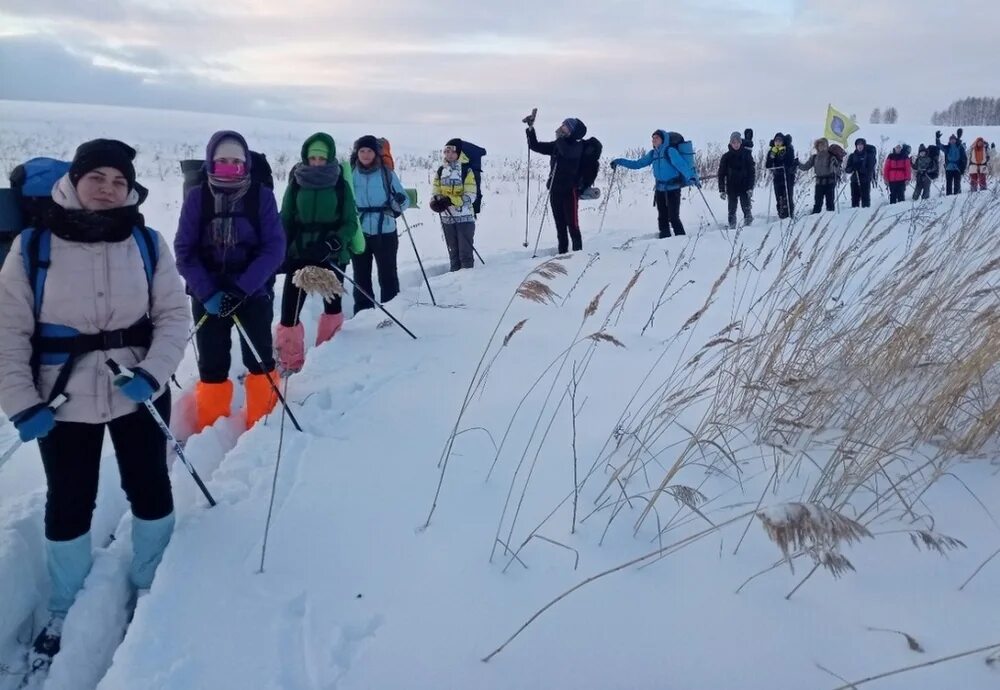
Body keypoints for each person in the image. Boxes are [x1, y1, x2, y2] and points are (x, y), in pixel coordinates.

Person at [0, 139, 189, 666]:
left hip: (139, 388)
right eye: (97, 177)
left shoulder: (148, 242)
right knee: (69, 496)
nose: (108, 189)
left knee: (150, 483)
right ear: (75, 181)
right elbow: (8, 331)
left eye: (119, 181)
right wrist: (19, 402)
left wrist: (152, 374)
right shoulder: (33, 246)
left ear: (131, 188)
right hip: (59, 398)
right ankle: (64, 605)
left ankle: (152, 580)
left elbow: (174, 316)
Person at [174, 131, 285, 431]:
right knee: (211, 364)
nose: (229, 166)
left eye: (236, 161)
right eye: (222, 161)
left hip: (252, 290)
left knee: (260, 360)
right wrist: (208, 292)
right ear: (211, 161)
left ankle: (263, 425)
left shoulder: (261, 196)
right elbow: (185, 251)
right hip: (206, 292)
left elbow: (274, 248)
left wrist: (241, 289)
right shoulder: (198, 197)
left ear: (246, 164)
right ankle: (210, 427)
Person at [275, 133, 364, 373]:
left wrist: (333, 244)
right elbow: (285, 217)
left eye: (321, 158)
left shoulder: (339, 184)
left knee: (332, 307)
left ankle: (327, 358)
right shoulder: (297, 181)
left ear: (329, 158)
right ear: (306, 156)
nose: (316, 162)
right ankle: (289, 362)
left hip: (330, 255)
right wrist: (281, 250)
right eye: (312, 157)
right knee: (289, 312)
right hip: (300, 254)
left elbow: (349, 223)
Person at [350, 135, 410, 313]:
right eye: (362, 151)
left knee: (388, 274)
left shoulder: (386, 173)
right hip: (359, 232)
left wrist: (398, 202)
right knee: (361, 275)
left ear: (376, 153)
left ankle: (392, 311)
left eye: (369, 151)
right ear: (357, 153)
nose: (366, 154)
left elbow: (404, 200)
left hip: (385, 230)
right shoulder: (351, 174)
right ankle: (363, 312)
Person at [611, 130, 699, 237]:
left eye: (657, 138)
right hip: (660, 189)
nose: (654, 140)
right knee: (662, 216)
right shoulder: (653, 154)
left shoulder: (670, 151)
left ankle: (680, 238)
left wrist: (691, 177)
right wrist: (619, 161)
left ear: (663, 140)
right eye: (653, 138)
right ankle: (664, 236)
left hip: (673, 189)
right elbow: (637, 164)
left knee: (673, 217)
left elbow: (681, 165)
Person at [526, 116, 587, 252]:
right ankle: (562, 253)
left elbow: (567, 153)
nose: (561, 126)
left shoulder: (577, 145)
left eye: (564, 125)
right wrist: (531, 129)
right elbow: (535, 146)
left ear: (571, 130)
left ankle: (579, 254)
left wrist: (559, 139)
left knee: (572, 224)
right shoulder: (559, 143)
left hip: (570, 190)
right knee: (560, 225)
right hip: (555, 189)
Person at [431, 138, 478, 271]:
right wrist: (435, 202)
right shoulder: (441, 170)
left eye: (452, 151)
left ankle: (468, 280)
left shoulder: (466, 170)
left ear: (459, 153)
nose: (449, 155)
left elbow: (470, 196)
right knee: (453, 253)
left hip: (465, 218)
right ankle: (453, 282)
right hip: (447, 218)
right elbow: (436, 190)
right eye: (446, 151)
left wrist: (451, 200)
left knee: (465, 253)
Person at [717, 131, 755, 229]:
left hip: (745, 186)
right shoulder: (726, 157)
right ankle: (732, 227)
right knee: (732, 210)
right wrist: (722, 190)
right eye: (733, 142)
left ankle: (748, 226)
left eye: (737, 142)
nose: (736, 144)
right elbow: (721, 174)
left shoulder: (747, 154)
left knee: (746, 208)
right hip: (731, 187)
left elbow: (752, 172)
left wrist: (750, 187)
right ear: (730, 143)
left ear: (740, 143)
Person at [798, 137, 842, 214]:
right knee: (817, 203)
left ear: (827, 146)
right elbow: (805, 167)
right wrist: (797, 164)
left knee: (830, 203)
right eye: (819, 145)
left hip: (830, 182)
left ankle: (830, 218)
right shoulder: (814, 157)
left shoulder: (831, 157)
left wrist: (835, 164)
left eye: (823, 145)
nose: (821, 147)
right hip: (819, 183)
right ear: (817, 146)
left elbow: (836, 169)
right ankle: (815, 218)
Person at [765, 133, 797, 219]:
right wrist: (772, 156)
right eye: (776, 141)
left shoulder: (789, 149)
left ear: (783, 142)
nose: (778, 143)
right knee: (779, 197)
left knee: (787, 196)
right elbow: (768, 165)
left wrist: (783, 156)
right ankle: (781, 213)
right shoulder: (772, 150)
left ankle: (790, 214)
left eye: (780, 141)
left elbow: (790, 162)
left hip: (787, 177)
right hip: (777, 177)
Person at [844, 138, 875, 208]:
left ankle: (865, 214)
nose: (860, 146)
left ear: (864, 146)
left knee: (865, 199)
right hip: (854, 181)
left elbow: (870, 169)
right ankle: (854, 214)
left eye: (861, 144)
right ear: (856, 146)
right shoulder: (852, 156)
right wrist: (853, 167)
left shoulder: (868, 156)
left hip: (865, 181)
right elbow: (847, 169)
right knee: (855, 199)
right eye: (858, 145)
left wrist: (860, 168)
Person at [935, 129, 967, 195]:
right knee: (948, 183)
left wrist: (962, 168)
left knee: (957, 183)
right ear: (949, 141)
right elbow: (939, 146)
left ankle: (957, 195)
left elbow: (964, 158)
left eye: (953, 139)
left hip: (957, 168)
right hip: (949, 168)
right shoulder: (947, 148)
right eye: (951, 139)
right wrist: (937, 139)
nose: (952, 140)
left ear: (955, 140)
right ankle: (948, 195)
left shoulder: (960, 147)